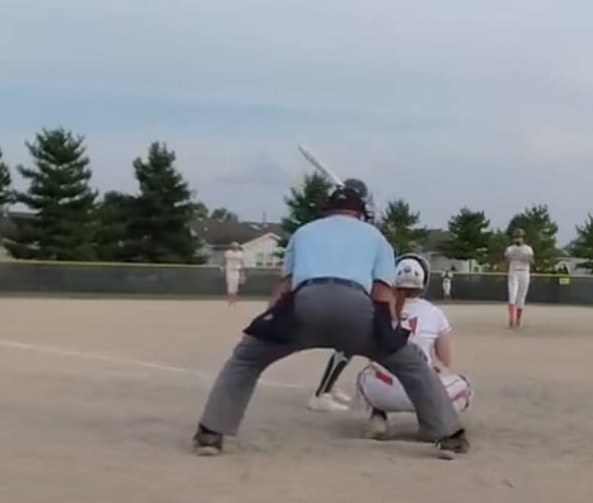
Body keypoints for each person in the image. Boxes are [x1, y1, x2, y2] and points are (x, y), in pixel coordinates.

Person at [193, 179, 469, 459]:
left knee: (246, 359)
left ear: (327, 210)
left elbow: (285, 287)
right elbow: (383, 293)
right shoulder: (376, 237)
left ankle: (210, 434)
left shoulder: (304, 232)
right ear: (360, 212)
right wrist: (390, 335)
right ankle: (449, 435)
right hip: (356, 306)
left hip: (305, 303)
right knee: (412, 365)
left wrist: (268, 324)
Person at [355, 255, 471, 440]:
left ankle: (378, 417)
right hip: (422, 388)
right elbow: (445, 362)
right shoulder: (434, 313)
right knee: (463, 386)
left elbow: (372, 355)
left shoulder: (378, 310)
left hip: (384, 390)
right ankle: (434, 421)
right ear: (423, 283)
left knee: (364, 375)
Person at [504, 230, 534, 329]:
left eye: (519, 237)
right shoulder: (510, 249)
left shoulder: (528, 249)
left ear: (523, 238)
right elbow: (507, 258)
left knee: (521, 297)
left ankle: (518, 319)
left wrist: (527, 257)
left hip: (524, 272)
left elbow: (532, 261)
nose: (517, 239)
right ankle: (511, 319)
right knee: (512, 295)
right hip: (514, 272)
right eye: (516, 237)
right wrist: (514, 253)